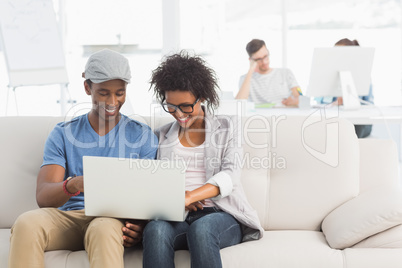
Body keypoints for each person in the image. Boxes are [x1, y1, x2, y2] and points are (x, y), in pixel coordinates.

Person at [8, 49, 158, 268]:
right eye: (104, 93)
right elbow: (44, 197)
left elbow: (151, 197)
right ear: (88, 87)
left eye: (120, 93)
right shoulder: (63, 133)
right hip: (70, 218)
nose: (113, 101)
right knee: (26, 223)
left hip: (111, 221)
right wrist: (74, 184)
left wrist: (142, 224)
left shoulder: (142, 135)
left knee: (103, 228)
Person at [140, 51, 263, 268]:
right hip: (177, 216)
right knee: (155, 229)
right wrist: (178, 201)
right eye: (171, 106)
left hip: (220, 214)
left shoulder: (228, 126)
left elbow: (230, 175)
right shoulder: (160, 135)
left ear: (203, 96)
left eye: (186, 106)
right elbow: (150, 184)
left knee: (202, 228)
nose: (179, 114)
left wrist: (189, 196)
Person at [318, 38, 374, 138]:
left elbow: (369, 105)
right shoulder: (330, 76)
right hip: (337, 120)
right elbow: (321, 102)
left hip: (359, 123)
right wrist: (335, 103)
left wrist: (350, 102)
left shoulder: (362, 75)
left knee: (351, 129)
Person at [236, 39, 301, 106]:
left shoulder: (286, 73)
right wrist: (251, 70)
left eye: (265, 56)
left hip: (285, 114)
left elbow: (301, 97)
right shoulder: (245, 79)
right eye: (259, 59)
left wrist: (295, 101)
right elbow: (239, 103)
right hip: (258, 116)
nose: (264, 62)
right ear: (251, 60)